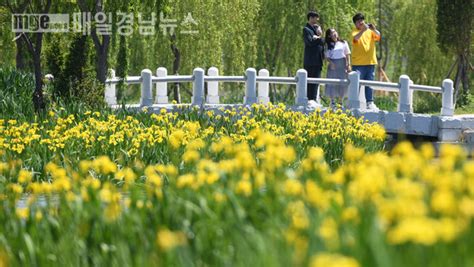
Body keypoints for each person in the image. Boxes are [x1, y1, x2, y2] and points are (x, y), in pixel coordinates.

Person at [351, 12, 381, 110]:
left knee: (369, 84)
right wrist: (363, 30)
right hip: (358, 64)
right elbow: (356, 39)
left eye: (362, 20)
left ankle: (370, 102)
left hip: (370, 62)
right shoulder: (354, 31)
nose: (361, 22)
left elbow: (378, 36)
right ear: (355, 23)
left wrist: (374, 29)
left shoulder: (370, 31)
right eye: (358, 21)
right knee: (357, 84)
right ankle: (353, 102)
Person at [303, 11, 325, 107]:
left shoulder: (317, 30)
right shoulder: (306, 29)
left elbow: (323, 42)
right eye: (316, 18)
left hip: (318, 60)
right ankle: (309, 99)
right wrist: (318, 38)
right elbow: (310, 42)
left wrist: (319, 36)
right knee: (310, 80)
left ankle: (314, 99)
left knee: (316, 80)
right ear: (311, 18)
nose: (317, 20)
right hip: (310, 60)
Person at [324, 28, 351, 108]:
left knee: (342, 83)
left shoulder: (343, 42)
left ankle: (340, 101)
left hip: (342, 63)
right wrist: (331, 63)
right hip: (333, 64)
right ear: (329, 36)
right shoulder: (328, 45)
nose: (334, 33)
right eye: (332, 33)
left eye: (335, 31)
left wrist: (348, 64)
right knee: (332, 83)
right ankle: (332, 101)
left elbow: (347, 54)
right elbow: (326, 57)